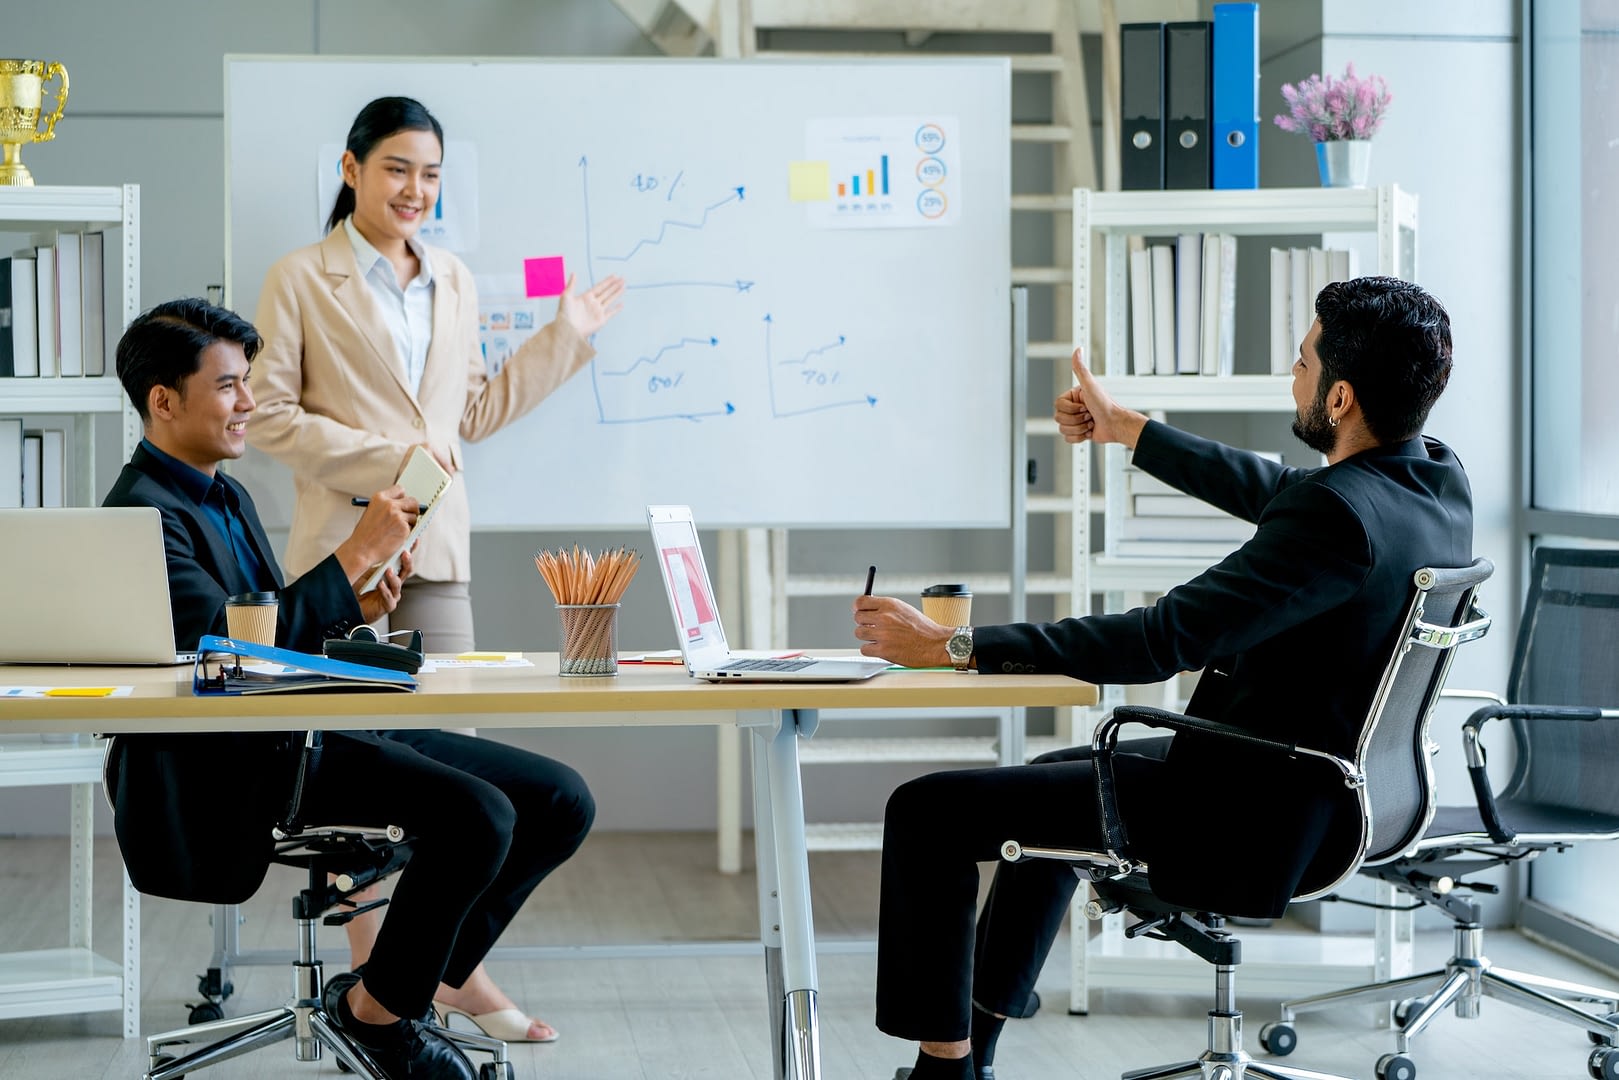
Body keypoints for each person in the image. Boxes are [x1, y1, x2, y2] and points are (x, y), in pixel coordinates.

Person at [850, 276, 1473, 1080]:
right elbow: (1282, 492)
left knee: (926, 811)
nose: (1293, 375)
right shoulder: (1431, 482)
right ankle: (976, 1046)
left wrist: (952, 645)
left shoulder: (1336, 521)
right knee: (1044, 791)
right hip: (1332, 793)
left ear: (1340, 396)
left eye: (1301, 361)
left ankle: (944, 1068)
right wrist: (1128, 430)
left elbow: (1158, 639)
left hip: (1249, 813)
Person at [103, 298, 596, 1080]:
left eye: (247, 384)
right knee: (479, 815)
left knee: (560, 798)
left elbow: (270, 633)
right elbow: (229, 648)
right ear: (163, 401)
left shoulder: (221, 494)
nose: (249, 404)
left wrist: (357, 605)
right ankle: (388, 1019)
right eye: (228, 387)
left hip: (308, 725)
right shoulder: (141, 515)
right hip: (246, 760)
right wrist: (353, 552)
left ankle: (386, 995)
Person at [245, 95, 623, 1042]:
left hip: (438, 553)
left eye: (431, 175)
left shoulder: (451, 278)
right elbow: (273, 416)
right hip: (344, 550)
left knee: (455, 775)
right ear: (351, 169)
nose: (415, 190)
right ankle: (381, 983)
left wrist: (565, 334)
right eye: (397, 169)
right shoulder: (300, 277)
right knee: (365, 767)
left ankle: (429, 973)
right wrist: (393, 465)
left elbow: (471, 415)